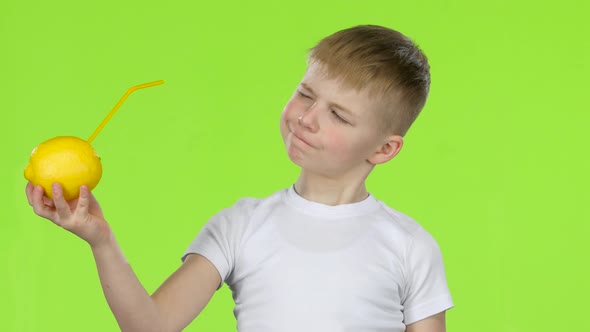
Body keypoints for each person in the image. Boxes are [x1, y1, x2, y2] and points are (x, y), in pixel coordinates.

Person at [26, 25, 453, 332]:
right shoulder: (240, 226)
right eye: (306, 93)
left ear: (383, 149)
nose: (306, 118)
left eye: (338, 114)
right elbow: (150, 328)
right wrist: (100, 239)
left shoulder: (409, 245)